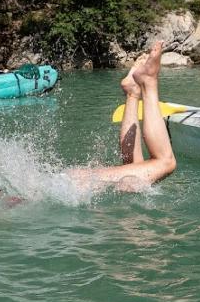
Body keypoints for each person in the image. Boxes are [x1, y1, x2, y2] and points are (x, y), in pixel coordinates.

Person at [67, 41, 177, 191]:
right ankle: (144, 84)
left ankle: (138, 89)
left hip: (70, 181)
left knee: (147, 166)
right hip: (72, 180)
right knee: (162, 163)